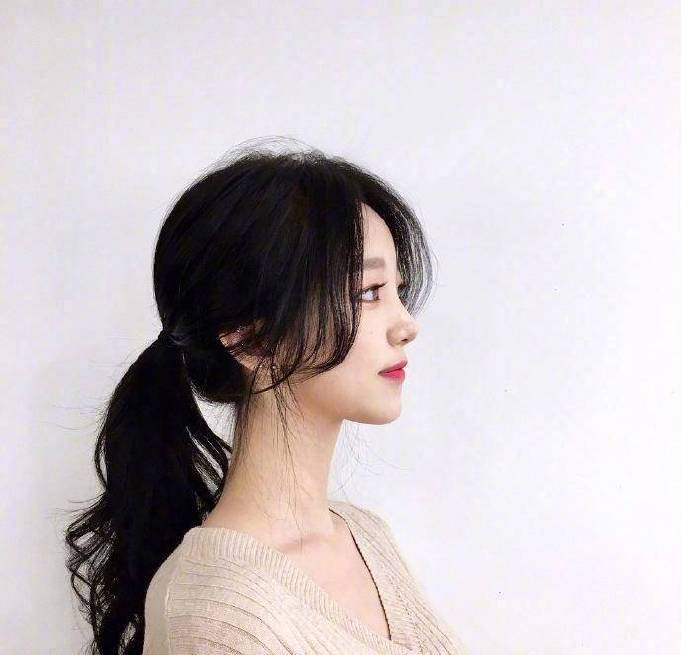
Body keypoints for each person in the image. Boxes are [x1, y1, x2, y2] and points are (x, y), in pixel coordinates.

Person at [64, 137, 466, 654]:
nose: (406, 325)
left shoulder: (364, 535)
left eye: (398, 292)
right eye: (368, 292)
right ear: (251, 340)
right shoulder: (217, 613)